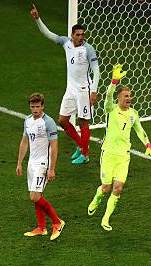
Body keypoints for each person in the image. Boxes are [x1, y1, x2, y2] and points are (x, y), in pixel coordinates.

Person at [87, 64, 151, 231]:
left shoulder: (133, 114)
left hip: (123, 156)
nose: (128, 98)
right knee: (106, 188)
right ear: (119, 97)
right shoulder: (110, 109)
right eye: (125, 96)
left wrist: (148, 145)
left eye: (130, 96)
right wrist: (114, 81)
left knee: (118, 188)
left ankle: (106, 218)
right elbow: (108, 95)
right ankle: (97, 199)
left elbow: (140, 130)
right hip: (108, 154)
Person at [30, 4, 100, 165]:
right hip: (71, 89)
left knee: (83, 122)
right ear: (72, 35)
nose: (81, 37)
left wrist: (94, 92)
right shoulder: (65, 43)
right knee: (62, 120)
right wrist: (37, 19)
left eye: (82, 34)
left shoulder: (88, 49)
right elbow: (48, 34)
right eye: (78, 35)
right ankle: (80, 144)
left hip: (84, 90)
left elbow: (96, 71)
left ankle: (85, 154)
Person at [16, 93, 65, 241]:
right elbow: (24, 142)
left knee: (35, 196)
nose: (35, 109)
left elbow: (54, 146)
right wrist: (19, 163)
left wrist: (52, 168)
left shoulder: (48, 122)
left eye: (38, 106)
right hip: (31, 164)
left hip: (43, 164)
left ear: (43, 106)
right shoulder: (28, 121)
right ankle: (41, 227)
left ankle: (57, 222)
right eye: (32, 106)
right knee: (37, 196)